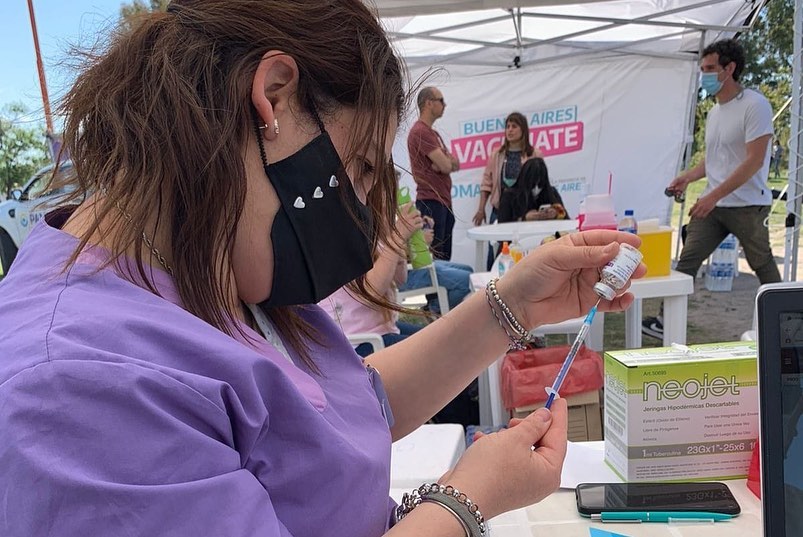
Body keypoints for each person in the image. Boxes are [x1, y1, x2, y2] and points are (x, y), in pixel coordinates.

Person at [0, 2, 646, 535]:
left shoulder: (206, 260)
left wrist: (516, 304)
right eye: (358, 168)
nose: (357, 209)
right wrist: (462, 504)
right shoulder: (77, 389)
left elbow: (338, 413)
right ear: (272, 97)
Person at [643, 38, 781, 339]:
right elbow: (715, 159)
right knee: (687, 260)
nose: (703, 75)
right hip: (715, 206)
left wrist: (712, 196)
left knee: (763, 264)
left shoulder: (755, 104)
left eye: (709, 68)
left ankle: (788, 321)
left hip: (748, 205)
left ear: (729, 69)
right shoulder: (715, 111)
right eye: (702, 68)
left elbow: (755, 160)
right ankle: (665, 321)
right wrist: (688, 177)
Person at [320, 202, 425, 357]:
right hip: (356, 344)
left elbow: (400, 278)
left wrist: (393, 233)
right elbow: (371, 291)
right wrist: (397, 237)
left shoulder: (372, 230)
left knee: (442, 339)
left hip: (378, 332)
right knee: (441, 350)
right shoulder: (343, 232)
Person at [407, 86, 459, 260]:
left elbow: (454, 164)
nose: (445, 105)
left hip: (441, 199)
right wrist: (444, 163)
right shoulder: (420, 132)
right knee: (436, 257)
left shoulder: (432, 133)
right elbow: (446, 165)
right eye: (441, 100)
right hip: (431, 200)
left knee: (444, 256)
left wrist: (444, 163)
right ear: (429, 103)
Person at [473, 112, 542, 227]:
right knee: (497, 239)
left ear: (523, 130)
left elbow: (540, 185)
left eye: (514, 126)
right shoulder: (497, 154)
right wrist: (481, 209)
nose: (510, 130)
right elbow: (486, 183)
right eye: (507, 126)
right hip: (499, 211)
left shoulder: (535, 154)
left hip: (526, 212)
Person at [497, 158, 568, 224]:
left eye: (540, 185)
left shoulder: (551, 192)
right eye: (532, 185)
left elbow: (566, 219)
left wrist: (556, 214)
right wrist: (524, 219)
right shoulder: (509, 196)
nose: (536, 189)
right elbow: (502, 224)